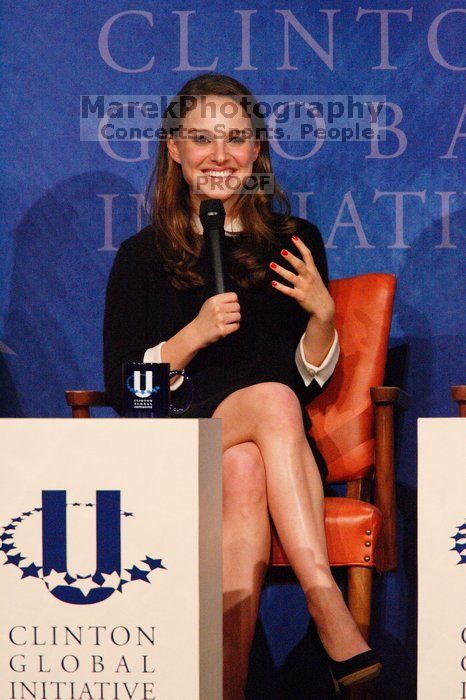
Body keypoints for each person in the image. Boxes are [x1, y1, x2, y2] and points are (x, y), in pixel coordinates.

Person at [103, 73, 381, 699]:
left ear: (258, 150)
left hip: (272, 449)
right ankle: (325, 600)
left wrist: (324, 314)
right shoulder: (142, 255)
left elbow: (309, 381)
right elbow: (128, 394)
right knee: (270, 402)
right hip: (180, 447)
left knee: (252, 463)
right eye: (203, 138)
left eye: (236, 139)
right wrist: (191, 337)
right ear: (173, 148)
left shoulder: (292, 242)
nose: (221, 156)